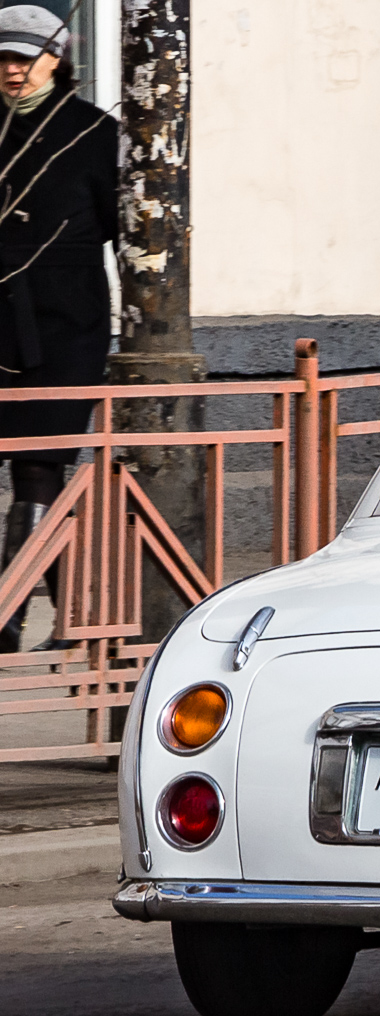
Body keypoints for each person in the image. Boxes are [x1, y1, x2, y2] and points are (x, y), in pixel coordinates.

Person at [0, 4, 116, 652]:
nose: (11, 69)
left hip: (68, 325)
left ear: (56, 59)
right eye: (2, 58)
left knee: (40, 461)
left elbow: (126, 229)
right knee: (29, 467)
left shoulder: (94, 133)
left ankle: (9, 619)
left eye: (24, 57)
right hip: (2, 325)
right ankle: (76, 623)